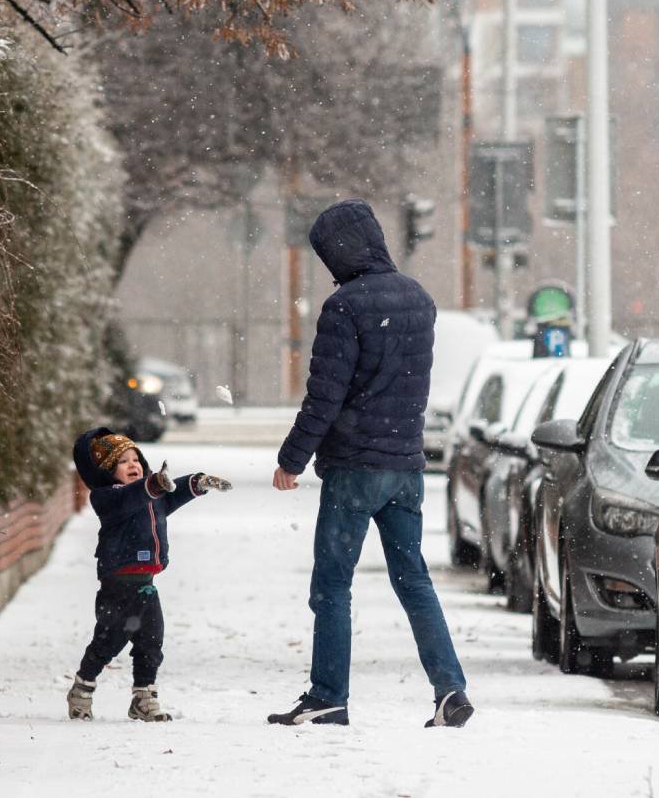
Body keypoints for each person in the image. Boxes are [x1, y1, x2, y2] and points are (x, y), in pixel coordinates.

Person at [267, 199, 471, 729]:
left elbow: (324, 396)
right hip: (405, 466)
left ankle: (328, 696)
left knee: (332, 585)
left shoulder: (345, 308)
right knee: (414, 580)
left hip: (355, 469)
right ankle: (450, 690)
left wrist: (292, 457)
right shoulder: (419, 299)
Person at [66, 427, 231, 722]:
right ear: (107, 470)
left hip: (145, 585)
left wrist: (197, 482)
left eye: (136, 459)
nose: (133, 465)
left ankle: (144, 697)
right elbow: (133, 497)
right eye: (123, 461)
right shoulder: (107, 498)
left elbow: (172, 494)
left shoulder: (152, 495)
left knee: (152, 642)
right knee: (108, 642)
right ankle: (82, 689)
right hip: (118, 586)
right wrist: (153, 485)